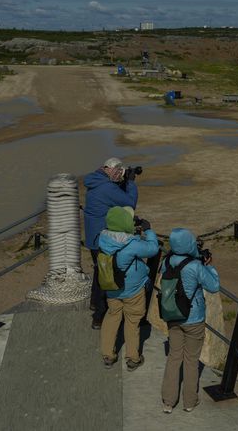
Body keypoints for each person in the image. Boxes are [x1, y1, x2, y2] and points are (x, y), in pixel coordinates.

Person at [160, 228, 220, 414]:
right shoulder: (195, 266)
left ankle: (168, 401)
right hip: (193, 319)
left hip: (173, 316)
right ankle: (189, 401)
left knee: (174, 357)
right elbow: (214, 286)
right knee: (191, 360)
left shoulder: (166, 262)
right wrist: (208, 265)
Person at [99, 206, 159, 371]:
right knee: (132, 321)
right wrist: (148, 231)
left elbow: (119, 236)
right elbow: (152, 249)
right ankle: (133, 358)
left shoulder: (103, 238)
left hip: (111, 286)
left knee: (112, 316)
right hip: (133, 290)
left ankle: (107, 355)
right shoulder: (131, 244)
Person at [83, 157, 138, 329]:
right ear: (111, 170)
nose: (119, 175)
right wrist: (130, 182)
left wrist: (121, 180)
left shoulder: (95, 181)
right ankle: (99, 317)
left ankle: (93, 303)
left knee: (99, 269)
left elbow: (112, 193)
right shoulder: (106, 187)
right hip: (102, 239)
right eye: (118, 171)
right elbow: (130, 202)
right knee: (105, 275)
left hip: (92, 236)